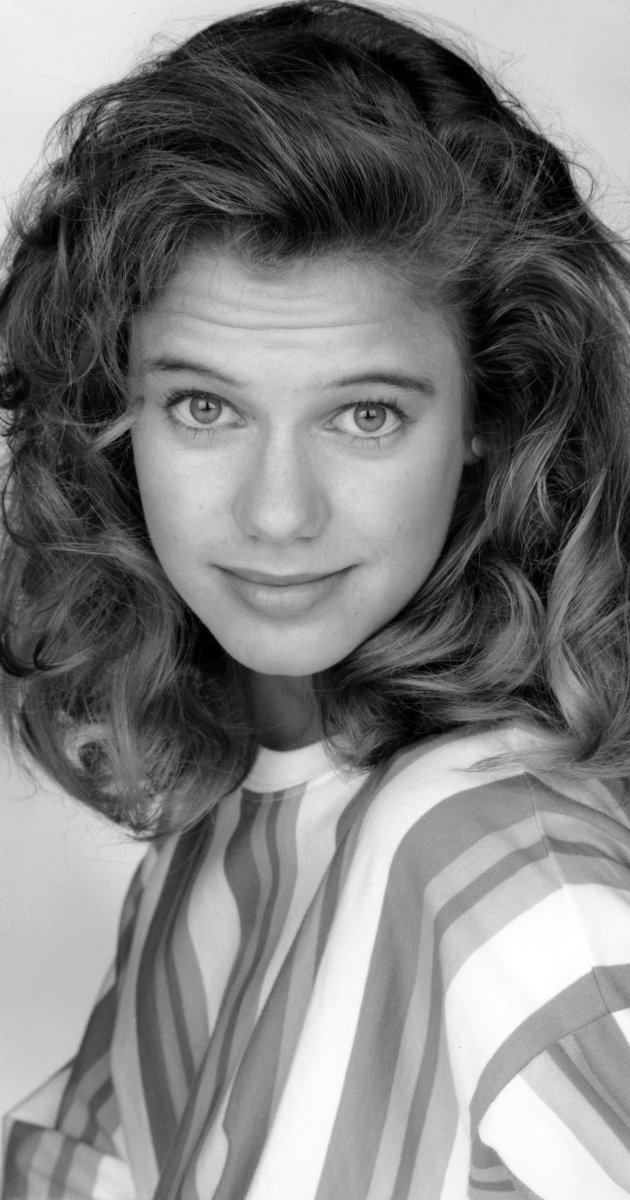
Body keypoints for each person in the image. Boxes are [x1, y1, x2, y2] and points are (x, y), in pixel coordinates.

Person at [1, 0, 630, 1195]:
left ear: (493, 412)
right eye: (205, 407)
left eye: (366, 414)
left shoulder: (505, 875)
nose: (278, 513)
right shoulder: (217, 841)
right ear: (111, 411)